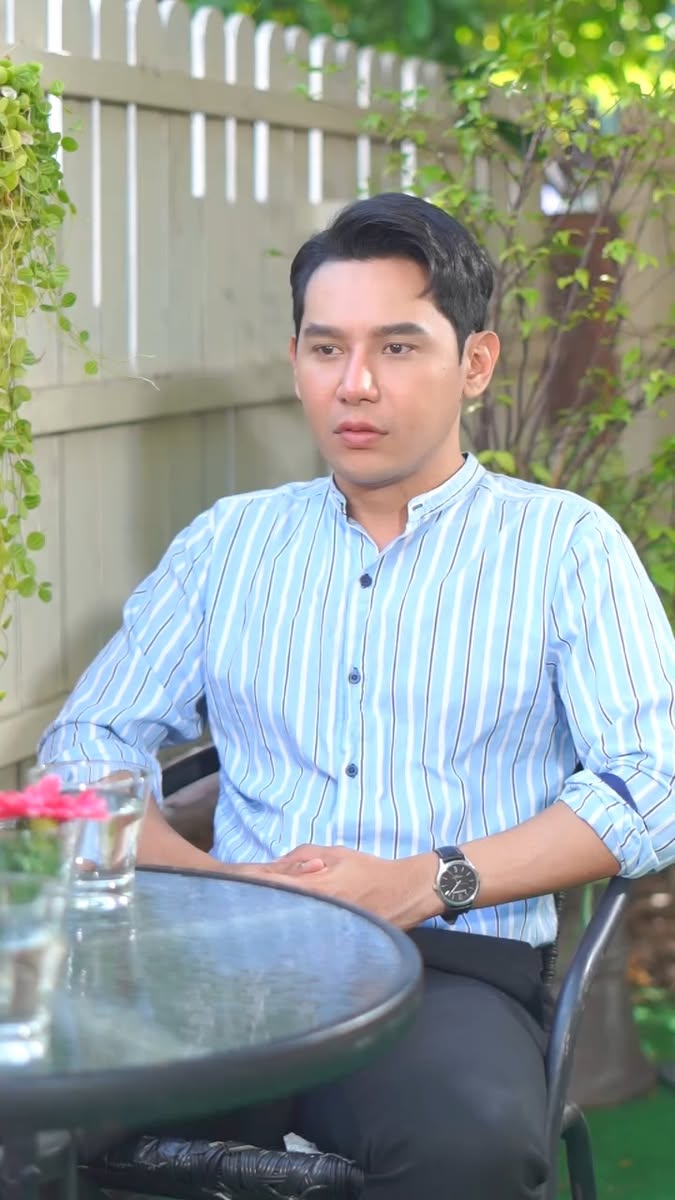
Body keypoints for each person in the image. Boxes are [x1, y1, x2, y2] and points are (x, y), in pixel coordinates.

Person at [40, 192, 675, 1199]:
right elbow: (86, 746)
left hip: (449, 970)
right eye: (326, 347)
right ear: (295, 359)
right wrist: (218, 879)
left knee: (466, 1145)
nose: (356, 384)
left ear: (475, 363)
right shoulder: (228, 543)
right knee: (38, 1110)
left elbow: (652, 785)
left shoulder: (566, 548)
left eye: (399, 347)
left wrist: (428, 880)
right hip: (224, 956)